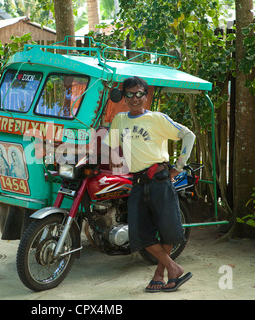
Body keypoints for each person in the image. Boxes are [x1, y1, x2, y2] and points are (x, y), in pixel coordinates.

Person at [102, 76, 195, 292]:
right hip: (137, 181)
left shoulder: (157, 118)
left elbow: (188, 135)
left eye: (139, 94)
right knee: (139, 232)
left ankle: (159, 274)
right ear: (123, 97)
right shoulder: (120, 119)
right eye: (130, 94)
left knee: (167, 230)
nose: (135, 98)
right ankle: (173, 268)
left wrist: (179, 167)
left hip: (160, 179)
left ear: (146, 96)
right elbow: (109, 147)